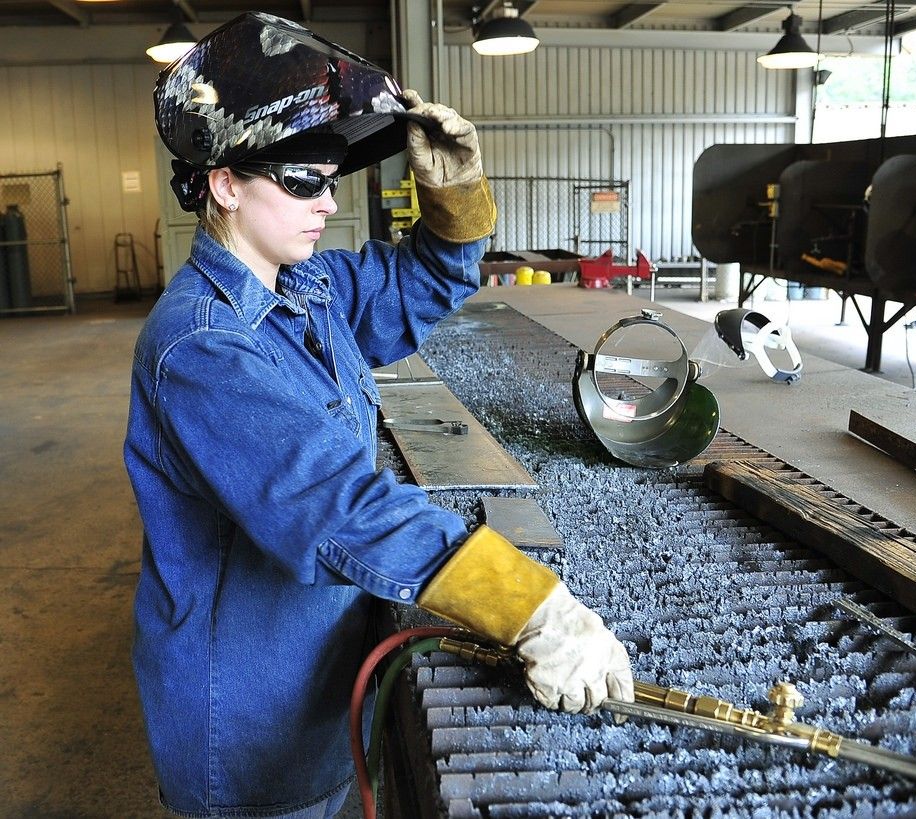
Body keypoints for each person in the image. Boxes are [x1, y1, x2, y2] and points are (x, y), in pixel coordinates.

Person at [124, 12, 633, 819]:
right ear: (223, 183)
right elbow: (332, 505)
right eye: (303, 181)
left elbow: (427, 279)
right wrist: (525, 602)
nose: (328, 202)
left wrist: (453, 194)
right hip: (251, 729)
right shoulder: (200, 348)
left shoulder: (311, 289)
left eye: (332, 179)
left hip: (328, 688)